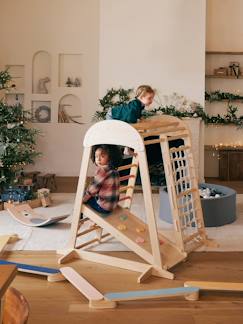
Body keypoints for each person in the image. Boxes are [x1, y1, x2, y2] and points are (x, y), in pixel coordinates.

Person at [82, 144, 122, 216]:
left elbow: (93, 189)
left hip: (103, 207)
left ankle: (78, 216)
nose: (98, 159)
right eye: (96, 156)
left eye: (102, 156)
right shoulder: (114, 170)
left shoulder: (102, 170)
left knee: (83, 195)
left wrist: (84, 199)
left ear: (110, 158)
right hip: (113, 206)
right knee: (91, 194)